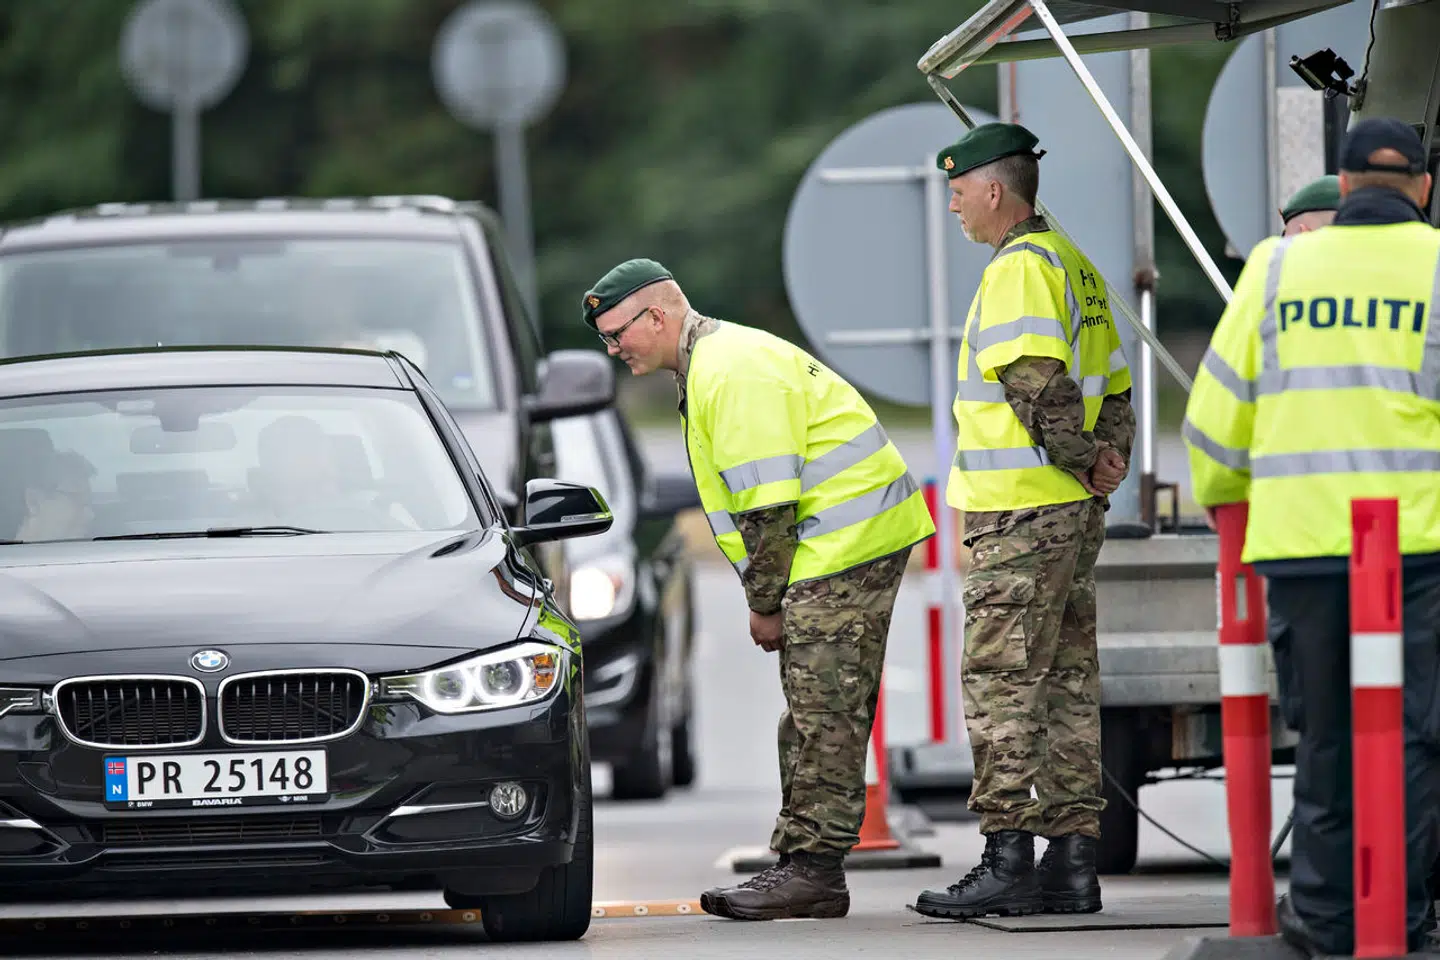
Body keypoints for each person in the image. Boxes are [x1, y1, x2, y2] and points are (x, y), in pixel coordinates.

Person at [580, 258, 936, 921]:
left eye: (617, 332)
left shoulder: (727, 372)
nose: (613, 348)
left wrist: (764, 604)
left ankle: (813, 874)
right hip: (830, 546)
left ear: (657, 316)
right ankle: (805, 865)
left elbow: (767, 509)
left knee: (822, 715)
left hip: (839, 546)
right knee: (810, 713)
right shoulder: (717, 362)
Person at [1181, 116, 1440, 957]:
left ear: (1346, 182)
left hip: (1301, 547)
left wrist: (1230, 501)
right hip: (1420, 551)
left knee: (1326, 735)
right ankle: (1399, 917)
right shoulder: (1439, 270)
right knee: (1415, 736)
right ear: (1425, 188)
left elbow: (1216, 424)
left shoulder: (1278, 266)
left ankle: (1326, 921)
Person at [910, 122, 1136, 921]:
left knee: (1004, 681)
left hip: (1022, 511)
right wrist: (1106, 460)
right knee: (1069, 682)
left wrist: (1077, 457)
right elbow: (1116, 383)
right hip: (1070, 511)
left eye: (959, 191)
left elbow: (1035, 383)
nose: (953, 206)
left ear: (995, 191)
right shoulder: (1075, 265)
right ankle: (1072, 865)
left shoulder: (1018, 270)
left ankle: (1006, 856)